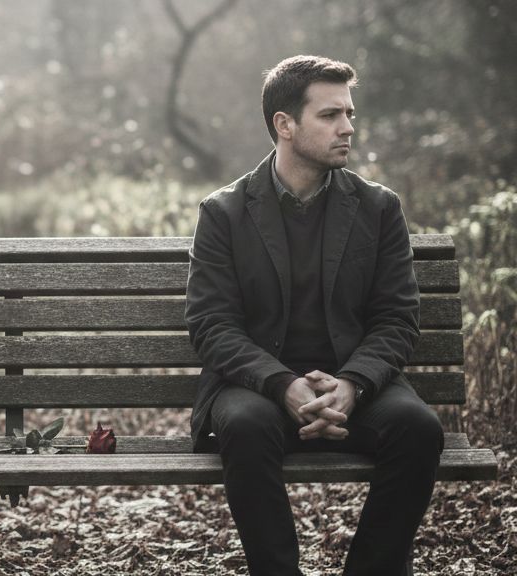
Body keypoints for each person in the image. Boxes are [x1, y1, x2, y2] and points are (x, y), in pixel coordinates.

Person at [185, 55, 443, 575]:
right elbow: (212, 324)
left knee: (418, 428)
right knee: (244, 424)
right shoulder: (225, 212)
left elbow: (396, 318)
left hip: (356, 379)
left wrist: (353, 384)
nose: (348, 126)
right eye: (330, 115)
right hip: (257, 384)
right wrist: (283, 384)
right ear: (285, 124)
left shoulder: (378, 208)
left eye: (349, 112)